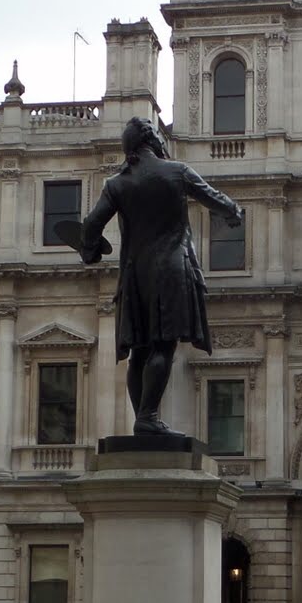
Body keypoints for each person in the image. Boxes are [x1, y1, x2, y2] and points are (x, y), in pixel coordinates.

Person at [68, 116, 243, 437]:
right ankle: (148, 417)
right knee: (163, 346)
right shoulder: (176, 171)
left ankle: (144, 420)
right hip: (172, 270)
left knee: (139, 351)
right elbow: (214, 199)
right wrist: (234, 211)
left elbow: (91, 225)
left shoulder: (116, 183)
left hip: (134, 277)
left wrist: (89, 250)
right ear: (153, 140)